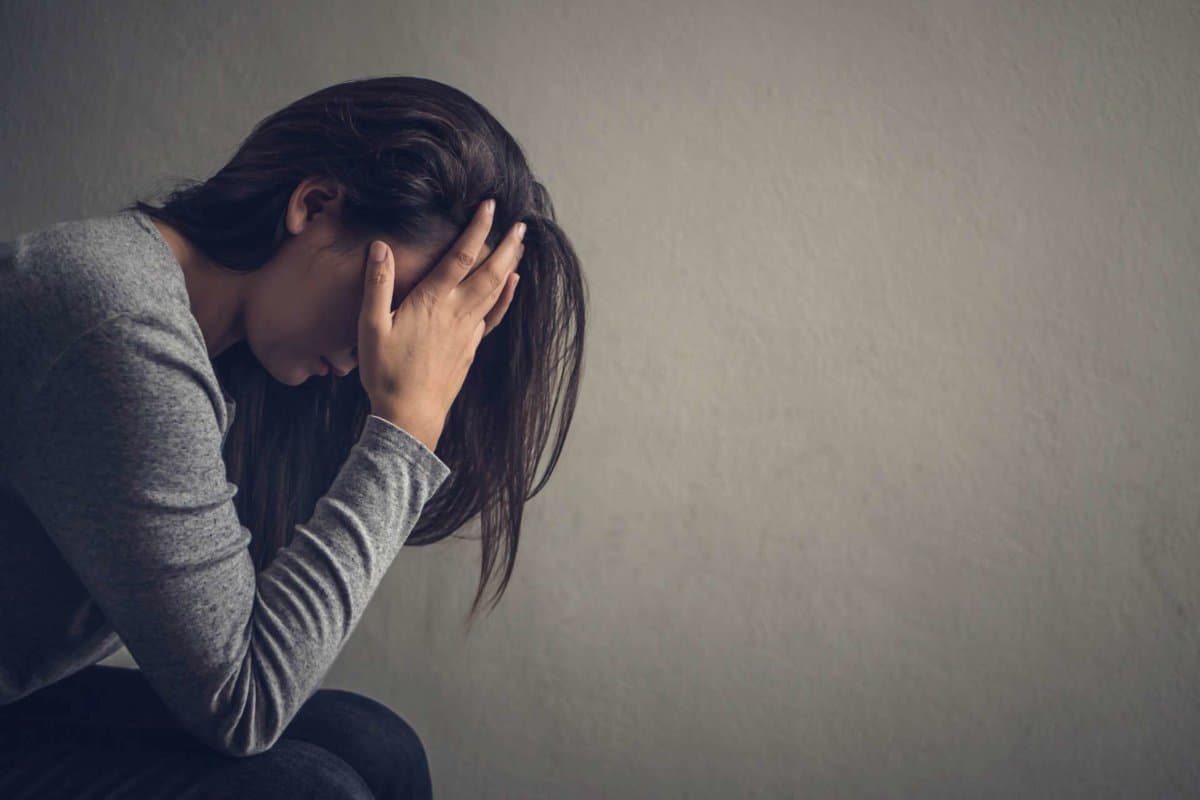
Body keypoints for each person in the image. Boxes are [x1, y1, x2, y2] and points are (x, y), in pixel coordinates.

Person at [0, 75, 587, 797]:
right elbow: (243, 705)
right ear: (313, 206)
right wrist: (406, 426)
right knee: (309, 789)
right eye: (400, 305)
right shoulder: (117, 322)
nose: (385, 348)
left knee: (373, 743)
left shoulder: (216, 354)